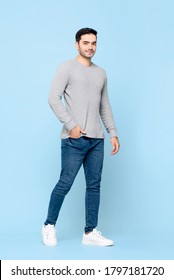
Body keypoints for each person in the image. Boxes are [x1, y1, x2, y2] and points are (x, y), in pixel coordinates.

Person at [42, 27, 120, 247]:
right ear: (76, 44)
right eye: (86, 43)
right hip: (73, 140)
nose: (90, 47)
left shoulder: (101, 73)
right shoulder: (66, 68)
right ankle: (49, 225)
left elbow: (105, 105)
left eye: (94, 43)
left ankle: (90, 231)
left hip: (97, 140)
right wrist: (71, 125)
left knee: (94, 186)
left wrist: (112, 132)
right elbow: (53, 98)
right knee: (65, 183)